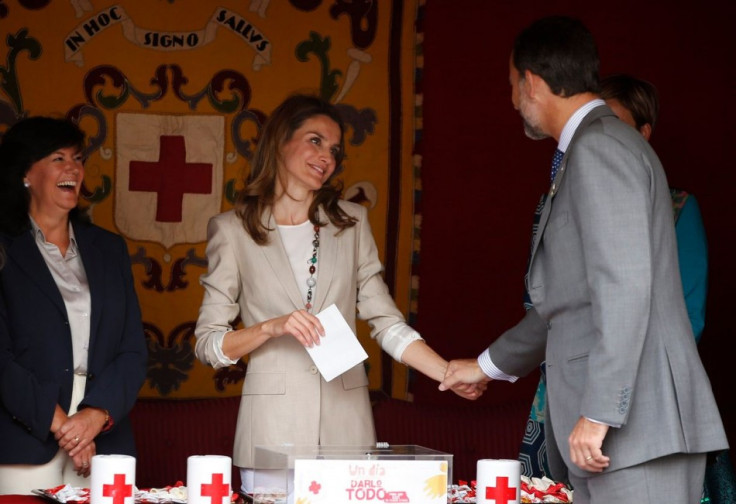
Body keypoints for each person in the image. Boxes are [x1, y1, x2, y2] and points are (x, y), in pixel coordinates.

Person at [439, 16, 728, 504]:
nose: (513, 101)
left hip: (632, 430)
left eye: (512, 85)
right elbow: (570, 302)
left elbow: (625, 286)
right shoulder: (589, 151)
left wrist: (599, 414)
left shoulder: (599, 148)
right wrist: (486, 367)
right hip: (615, 437)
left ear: (531, 82)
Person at [194, 93, 482, 494]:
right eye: (315, 140)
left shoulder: (352, 223)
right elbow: (209, 344)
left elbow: (385, 321)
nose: (326, 157)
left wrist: (446, 372)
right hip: (271, 432)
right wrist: (271, 327)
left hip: (347, 428)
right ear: (280, 141)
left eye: (333, 149)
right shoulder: (232, 230)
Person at [0, 117, 148, 494]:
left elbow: (132, 351)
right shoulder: (4, 248)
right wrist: (64, 425)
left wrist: (94, 417)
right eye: (57, 158)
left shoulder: (109, 249)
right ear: (25, 174)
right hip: (25, 442)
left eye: (78, 159)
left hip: (106, 442)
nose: (73, 169)